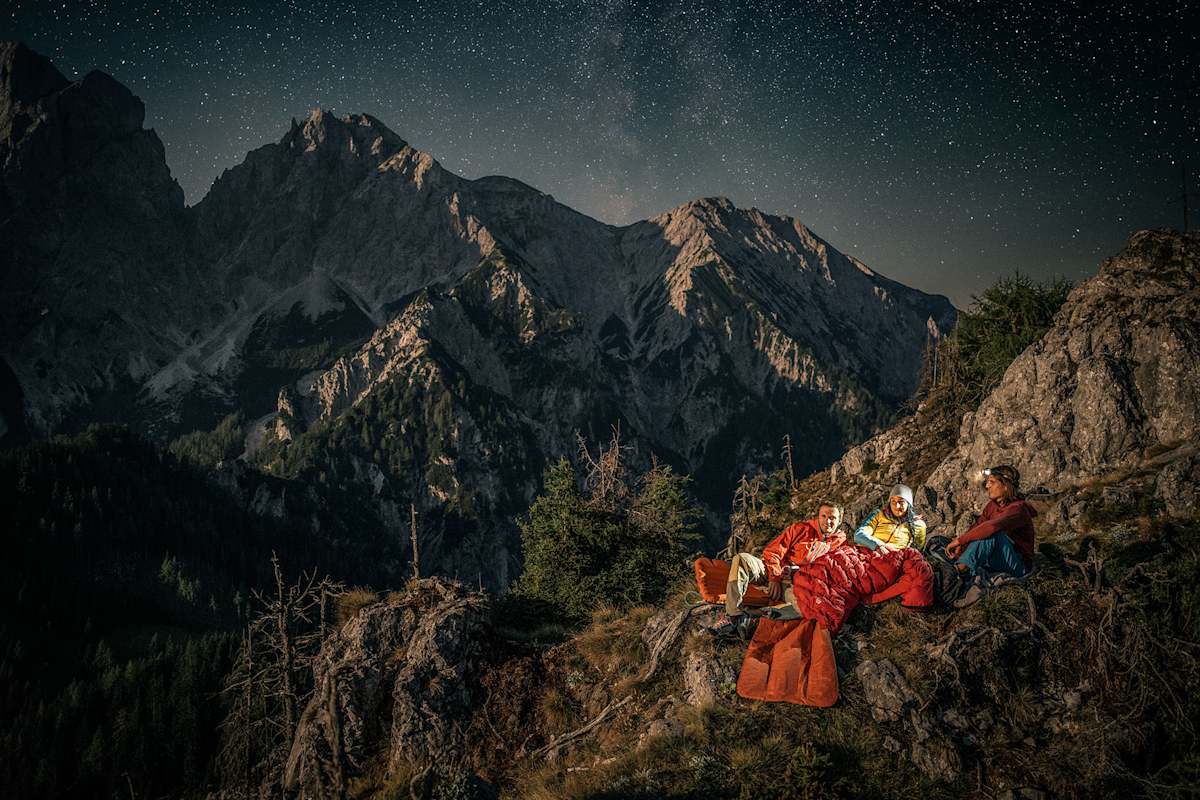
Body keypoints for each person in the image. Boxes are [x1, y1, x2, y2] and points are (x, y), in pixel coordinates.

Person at [709, 502, 846, 637]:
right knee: (742, 559)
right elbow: (773, 552)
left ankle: (752, 616)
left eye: (833, 517)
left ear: (840, 520)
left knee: (806, 608)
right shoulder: (801, 529)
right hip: (773, 570)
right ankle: (733, 616)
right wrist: (774, 577)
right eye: (824, 516)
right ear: (818, 516)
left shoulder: (839, 544)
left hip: (795, 585)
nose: (828, 521)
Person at [945, 465, 1036, 579]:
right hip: (998, 559)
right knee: (981, 533)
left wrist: (959, 541)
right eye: (987, 482)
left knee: (992, 535)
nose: (987, 486)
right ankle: (959, 569)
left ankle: (955, 573)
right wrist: (962, 546)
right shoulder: (992, 506)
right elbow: (977, 527)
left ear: (1006, 486)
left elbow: (991, 527)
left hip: (1019, 566)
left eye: (992, 482)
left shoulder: (1018, 509)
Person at [854, 483, 927, 553]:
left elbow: (917, 550)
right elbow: (859, 535)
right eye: (893, 502)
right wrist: (878, 546)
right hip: (870, 553)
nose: (897, 506)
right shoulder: (878, 515)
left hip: (893, 559)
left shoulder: (918, 525)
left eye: (901, 502)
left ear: (909, 504)